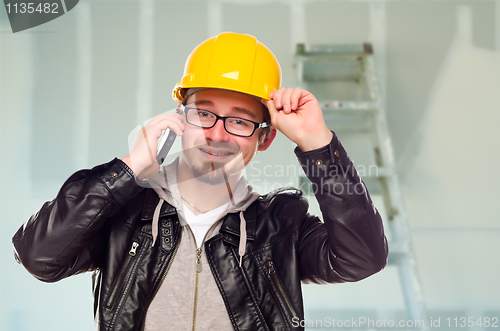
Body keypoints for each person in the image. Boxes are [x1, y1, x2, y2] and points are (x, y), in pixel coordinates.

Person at [12, 32, 388, 331]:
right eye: (204, 113)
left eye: (239, 121)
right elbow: (38, 256)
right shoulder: (123, 214)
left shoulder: (281, 227)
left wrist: (317, 144)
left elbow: (362, 259)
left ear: (265, 137)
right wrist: (129, 169)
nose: (218, 134)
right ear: (180, 117)